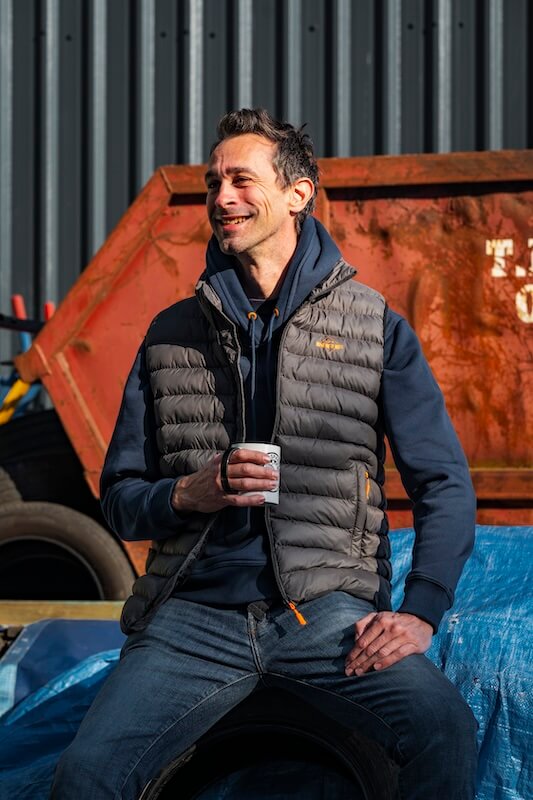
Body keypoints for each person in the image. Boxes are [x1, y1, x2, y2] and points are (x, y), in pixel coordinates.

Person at [51, 108, 478, 799]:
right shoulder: (169, 335)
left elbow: (444, 484)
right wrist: (190, 493)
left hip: (326, 614)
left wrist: (419, 610)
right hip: (191, 621)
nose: (221, 198)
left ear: (297, 194)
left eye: (241, 181)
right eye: (214, 182)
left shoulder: (372, 327)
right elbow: (121, 498)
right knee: (85, 775)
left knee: (443, 729)